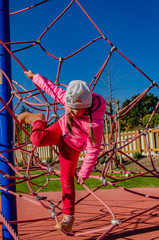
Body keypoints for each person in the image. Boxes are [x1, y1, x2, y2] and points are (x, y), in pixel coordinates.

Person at [18, 70, 106, 235]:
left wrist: (84, 172)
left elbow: (93, 149)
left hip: (71, 148)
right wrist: (35, 77)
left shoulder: (95, 124)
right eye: (69, 107)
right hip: (60, 129)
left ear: (85, 107)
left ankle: (68, 219)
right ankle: (37, 118)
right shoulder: (69, 101)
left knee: (66, 180)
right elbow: (51, 88)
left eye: (73, 110)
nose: (70, 111)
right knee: (36, 139)